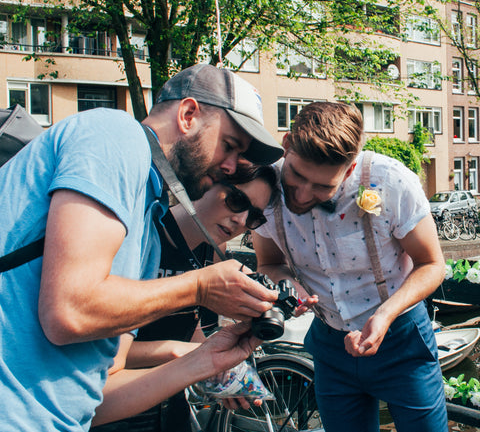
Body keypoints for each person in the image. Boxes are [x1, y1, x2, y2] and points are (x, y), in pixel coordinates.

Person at [0, 63, 284, 431]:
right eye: (229, 146)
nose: (231, 167)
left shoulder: (148, 228)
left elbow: (100, 395)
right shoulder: (114, 134)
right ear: (188, 114)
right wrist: (200, 287)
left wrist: (204, 361)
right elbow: (68, 311)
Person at [252, 102, 448, 432]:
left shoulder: (391, 181)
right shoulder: (266, 187)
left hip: (402, 342)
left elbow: (431, 264)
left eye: (321, 187)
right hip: (330, 350)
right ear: (286, 144)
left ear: (349, 168)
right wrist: (288, 283)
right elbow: (269, 263)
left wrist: (384, 315)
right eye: (297, 175)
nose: (301, 195)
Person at [90, 162, 279, 431]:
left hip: (170, 402)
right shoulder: (144, 234)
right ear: (206, 181)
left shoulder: (214, 249)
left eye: (254, 218)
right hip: (115, 406)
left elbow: (190, 326)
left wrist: (219, 375)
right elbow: (96, 348)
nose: (241, 220)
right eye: (237, 201)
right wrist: (180, 352)